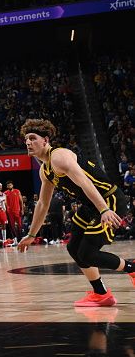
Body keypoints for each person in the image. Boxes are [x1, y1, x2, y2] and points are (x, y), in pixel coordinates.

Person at [18, 119, 131, 307]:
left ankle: (132, 269)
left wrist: (104, 209)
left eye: (32, 138)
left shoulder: (59, 156)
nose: (28, 142)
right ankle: (101, 294)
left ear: (45, 140)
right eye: (26, 140)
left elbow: (85, 182)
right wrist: (31, 234)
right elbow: (43, 204)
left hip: (109, 201)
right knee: (74, 249)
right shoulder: (45, 170)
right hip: (90, 207)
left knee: (87, 254)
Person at [4, 180, 24, 245]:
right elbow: (4, 203)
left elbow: (21, 201)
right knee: (12, 226)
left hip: (17, 211)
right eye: (8, 185)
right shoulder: (5, 193)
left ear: (12, 185)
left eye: (10, 185)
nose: (9, 186)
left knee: (20, 225)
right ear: (7, 186)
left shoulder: (17, 191)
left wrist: (22, 210)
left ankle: (20, 239)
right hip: (10, 212)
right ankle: (15, 240)